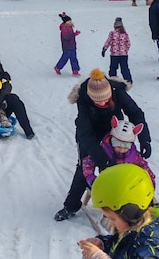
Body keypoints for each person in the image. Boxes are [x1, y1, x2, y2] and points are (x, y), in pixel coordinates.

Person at [54, 68, 151, 221]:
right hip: (89, 133)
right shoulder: (84, 99)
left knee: (121, 163)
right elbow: (86, 134)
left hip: (114, 130)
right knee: (84, 167)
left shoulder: (117, 92)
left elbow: (136, 113)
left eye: (106, 99)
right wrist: (102, 159)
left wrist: (145, 139)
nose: (103, 103)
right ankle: (70, 206)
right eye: (98, 101)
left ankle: (122, 200)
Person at [82, 117, 155, 190]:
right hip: (107, 184)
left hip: (129, 185)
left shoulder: (134, 155)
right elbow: (88, 162)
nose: (121, 150)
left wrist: (150, 179)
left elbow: (144, 166)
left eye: (125, 148)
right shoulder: (103, 150)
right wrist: (91, 178)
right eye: (118, 147)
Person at [102, 17, 132, 85]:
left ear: (115, 26)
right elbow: (128, 44)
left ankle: (112, 80)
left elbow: (108, 41)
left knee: (113, 68)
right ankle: (128, 81)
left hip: (114, 55)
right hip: (124, 55)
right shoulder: (125, 34)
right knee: (124, 68)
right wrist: (125, 50)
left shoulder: (112, 33)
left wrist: (104, 49)